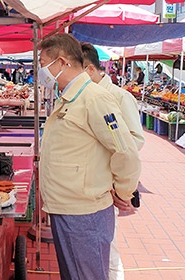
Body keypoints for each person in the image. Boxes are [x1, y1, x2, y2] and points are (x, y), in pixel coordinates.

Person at [38, 34, 141, 280]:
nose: (41, 69)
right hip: (67, 208)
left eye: (43, 63)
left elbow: (126, 152)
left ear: (62, 62)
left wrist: (124, 193)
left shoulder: (94, 99)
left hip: (83, 214)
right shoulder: (71, 98)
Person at [82, 42, 145, 280]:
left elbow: (135, 141)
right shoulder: (86, 95)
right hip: (94, 181)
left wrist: (110, 150)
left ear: (88, 69)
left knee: (108, 245)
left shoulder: (119, 97)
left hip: (109, 179)